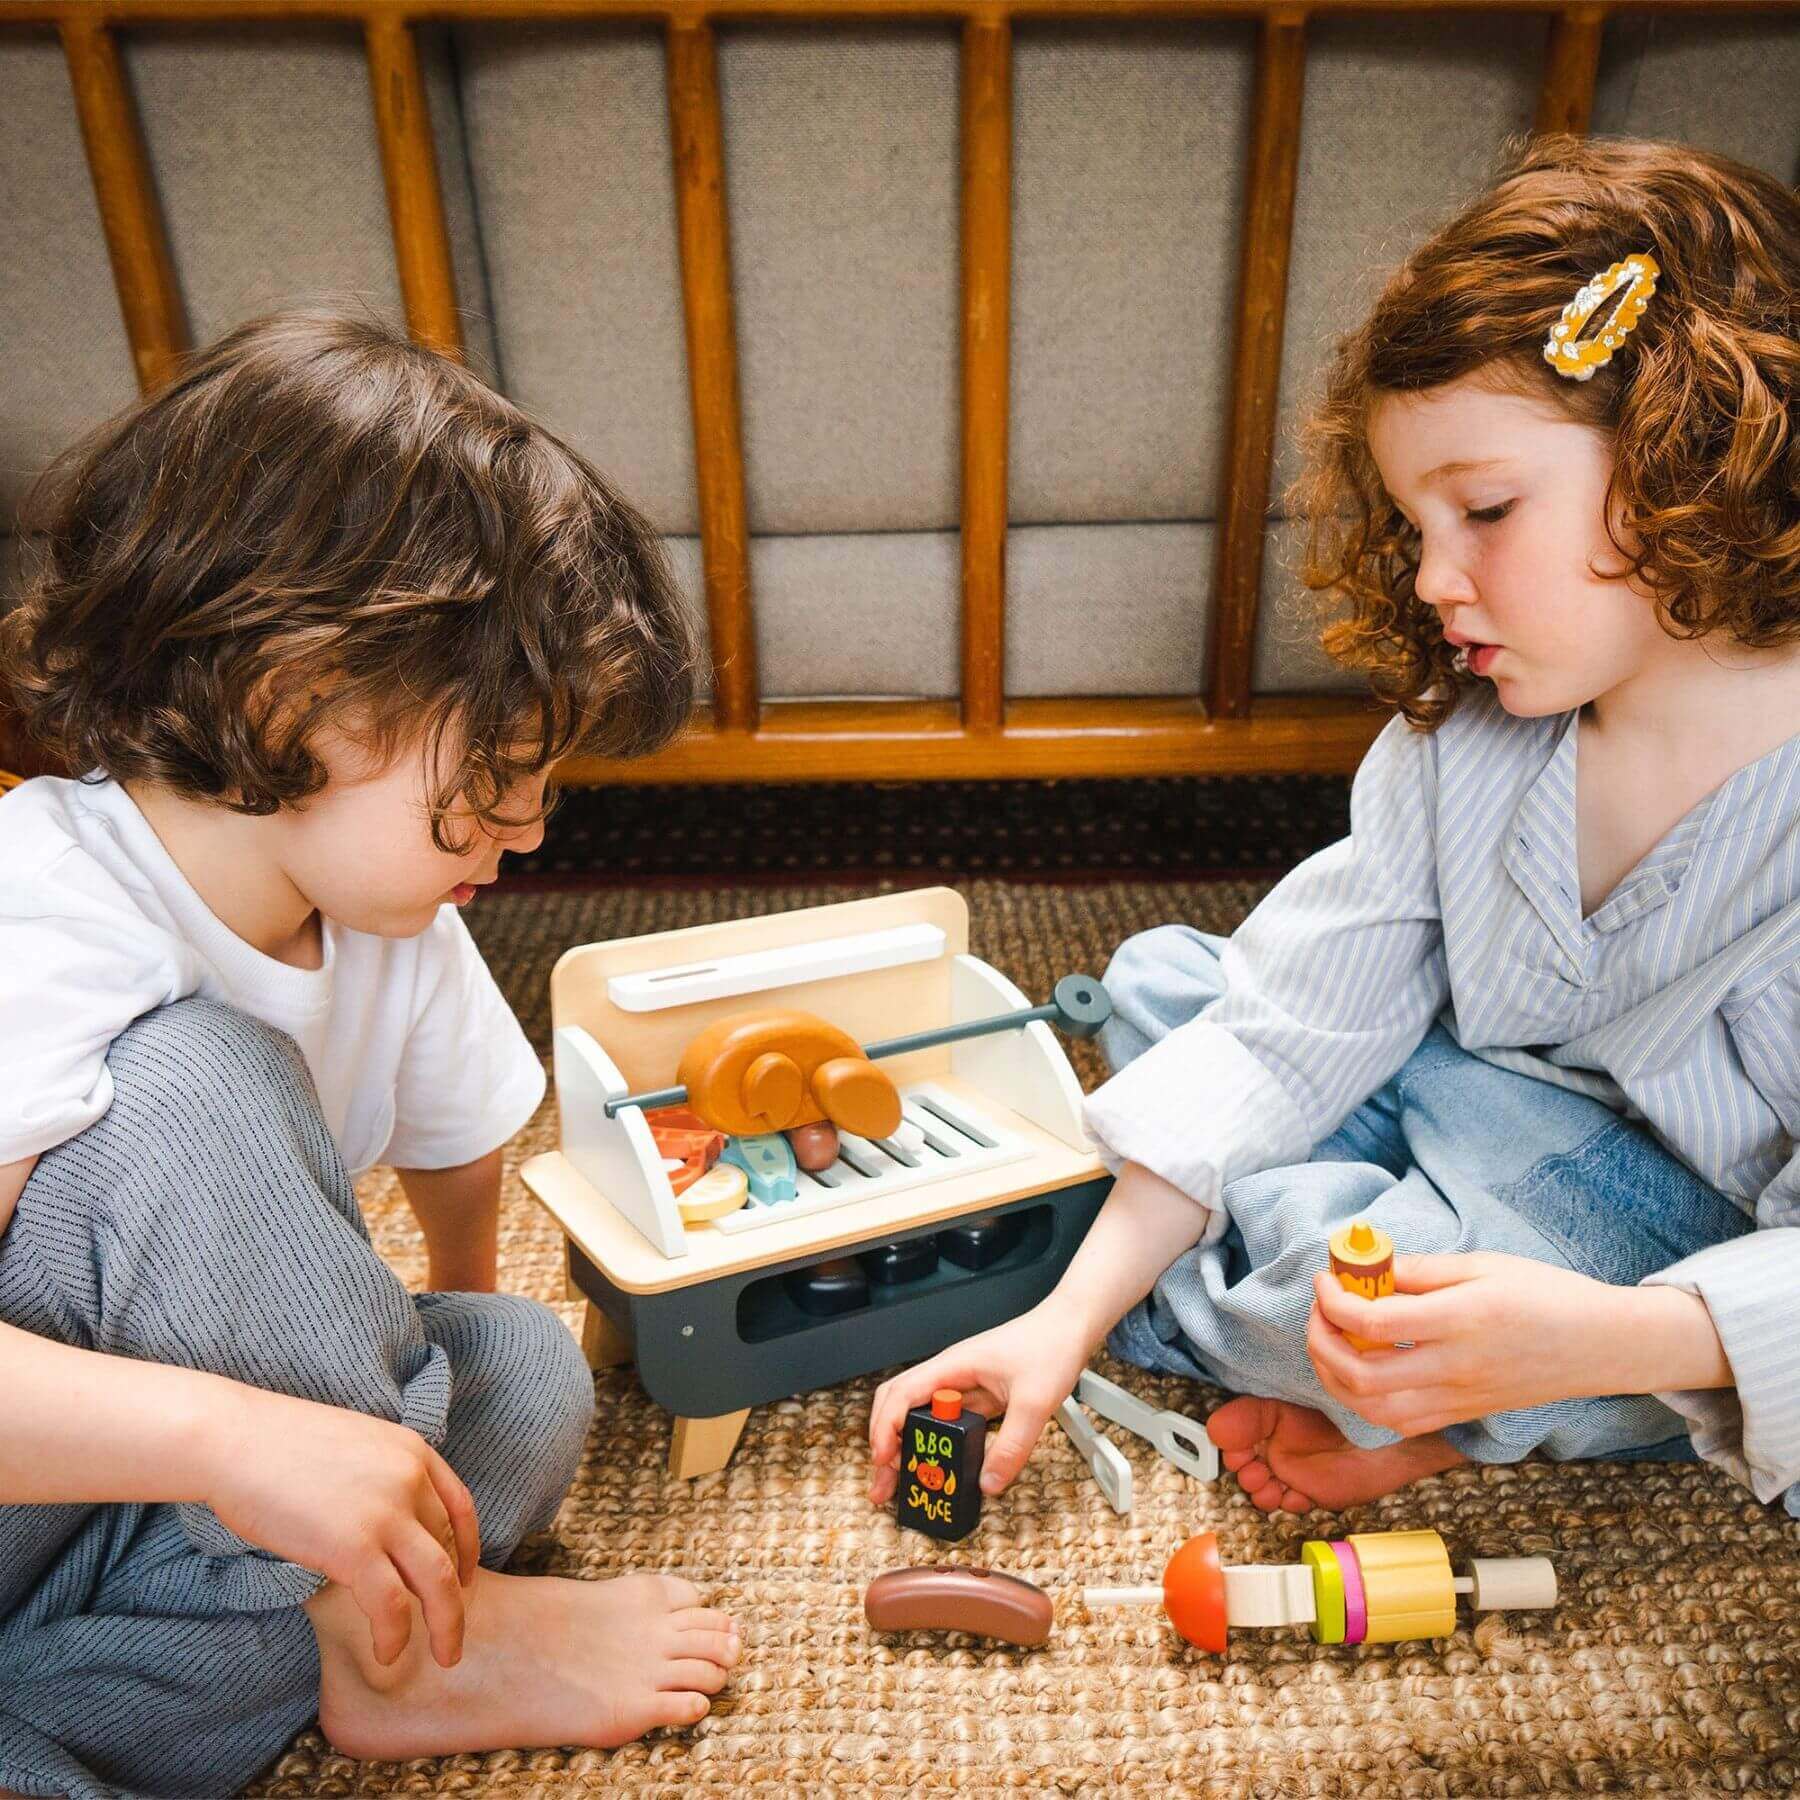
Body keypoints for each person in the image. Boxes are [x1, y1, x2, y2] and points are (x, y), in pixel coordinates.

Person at [871, 135, 1800, 1524]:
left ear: (1689, 457)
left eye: (1485, 510)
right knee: (1171, 986)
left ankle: (1526, 1395)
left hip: (1668, 1235)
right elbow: (1287, 1029)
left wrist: (1607, 1337)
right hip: (1465, 1099)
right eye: (1417, 524)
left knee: (1362, 1296)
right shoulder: (1463, 744)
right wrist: (1058, 1328)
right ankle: (1439, 1366)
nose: (1435, 579)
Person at [0, 311, 739, 1800]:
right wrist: (226, 1440)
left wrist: (372, 1410)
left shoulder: (385, 913)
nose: (532, 828)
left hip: (102, 1536)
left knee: (515, 1368)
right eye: (501, 773)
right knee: (192, 1086)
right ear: (295, 695)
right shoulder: (42, 910)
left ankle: (91, 1716)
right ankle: (387, 1642)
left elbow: (457, 1164)